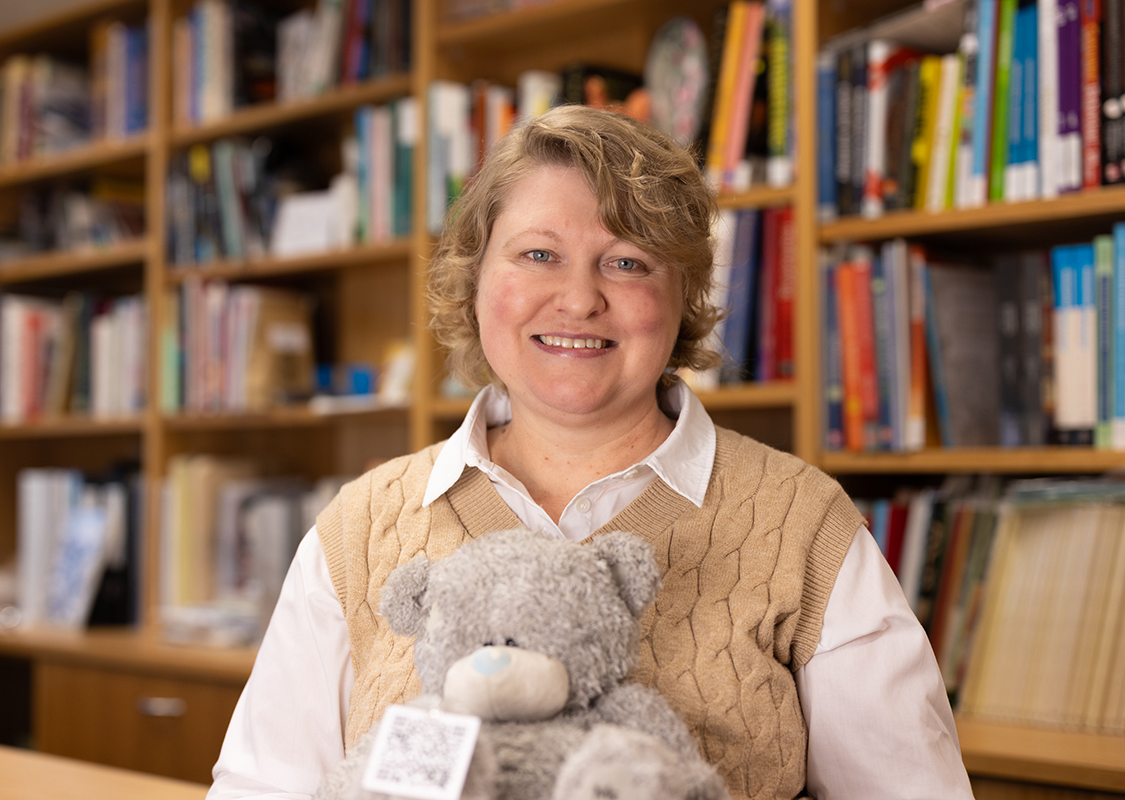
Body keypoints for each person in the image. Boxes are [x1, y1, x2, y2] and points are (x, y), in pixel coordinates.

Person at [207, 105, 974, 800]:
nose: (579, 299)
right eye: (538, 255)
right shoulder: (362, 528)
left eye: (628, 261)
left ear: (682, 299)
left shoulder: (803, 526)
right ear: (475, 278)